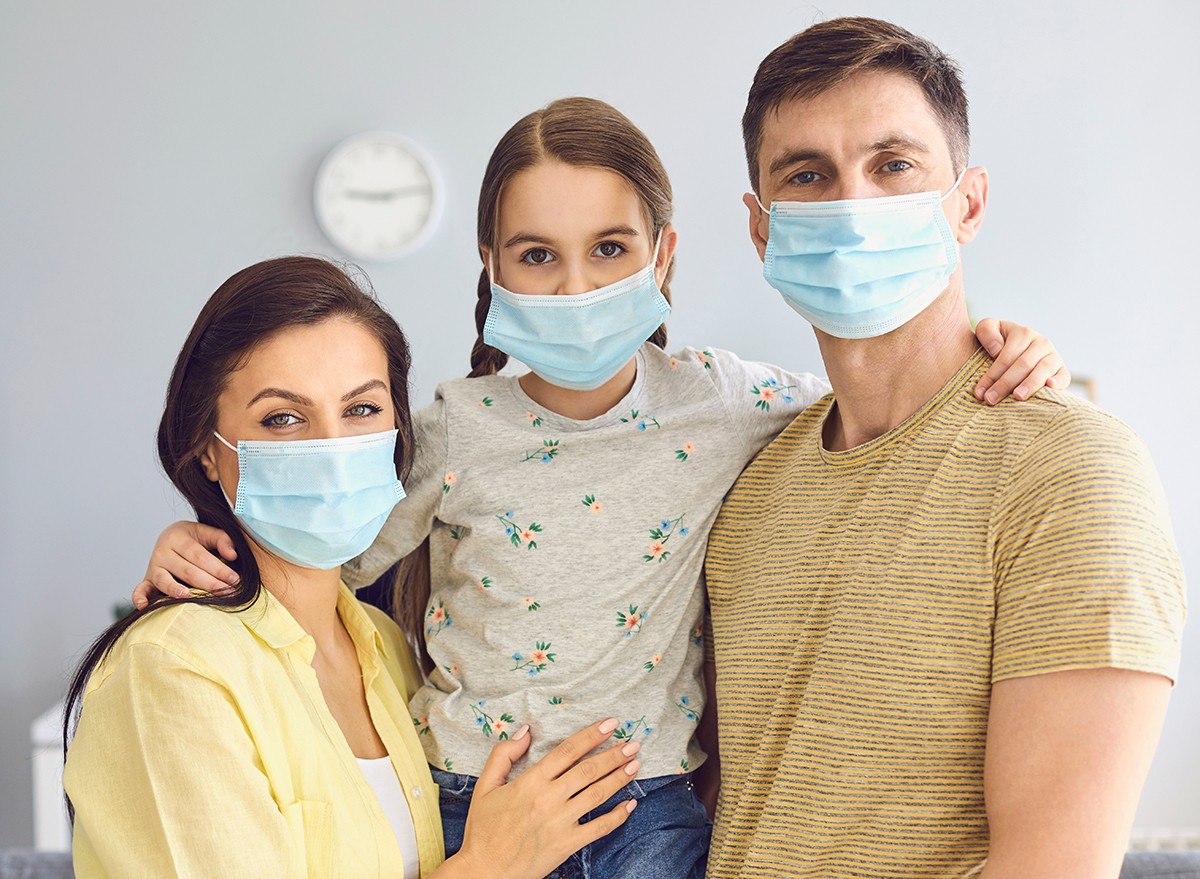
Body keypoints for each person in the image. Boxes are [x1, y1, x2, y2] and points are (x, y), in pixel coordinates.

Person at [131, 101, 1067, 879]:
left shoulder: (726, 400)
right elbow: (324, 544)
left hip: (651, 808)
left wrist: (1013, 345)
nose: (576, 284)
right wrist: (192, 541)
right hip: (472, 800)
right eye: (537, 255)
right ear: (492, 269)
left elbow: (889, 401)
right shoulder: (454, 423)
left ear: (662, 256)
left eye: (610, 249)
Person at [702, 17, 1187, 878]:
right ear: (761, 228)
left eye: (893, 165)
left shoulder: (1071, 474)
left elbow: (1054, 865)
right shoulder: (749, 485)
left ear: (966, 204)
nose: (852, 205)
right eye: (807, 175)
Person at [62, 257, 644, 879]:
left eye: (362, 409)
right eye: (282, 418)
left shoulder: (385, 645)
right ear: (208, 448)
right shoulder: (172, 670)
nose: (333, 448)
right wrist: (491, 865)